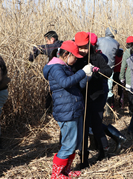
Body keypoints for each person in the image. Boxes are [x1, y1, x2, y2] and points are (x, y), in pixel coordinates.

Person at [71, 32, 126, 168]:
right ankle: (84, 160)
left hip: (96, 97)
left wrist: (96, 71)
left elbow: (108, 72)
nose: (83, 50)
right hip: (81, 98)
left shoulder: (97, 57)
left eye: (85, 47)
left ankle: (103, 152)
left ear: (91, 45)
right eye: (80, 47)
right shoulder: (76, 59)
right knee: (83, 130)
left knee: (96, 126)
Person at [43, 40, 93, 178]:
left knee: (74, 144)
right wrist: (82, 72)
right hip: (66, 112)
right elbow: (65, 83)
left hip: (74, 108)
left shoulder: (66, 66)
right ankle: (56, 174)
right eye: (75, 57)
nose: (76, 60)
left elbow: (77, 86)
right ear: (66, 54)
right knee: (68, 145)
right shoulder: (56, 68)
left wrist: (87, 76)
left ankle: (65, 171)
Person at [97, 27, 120, 113]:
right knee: (109, 88)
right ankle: (108, 109)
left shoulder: (99, 40)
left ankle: (101, 108)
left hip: (99, 67)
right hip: (110, 68)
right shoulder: (116, 43)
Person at [120, 36, 133, 114]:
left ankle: (131, 111)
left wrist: (121, 77)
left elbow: (123, 66)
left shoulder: (127, 52)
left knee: (130, 95)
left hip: (129, 77)